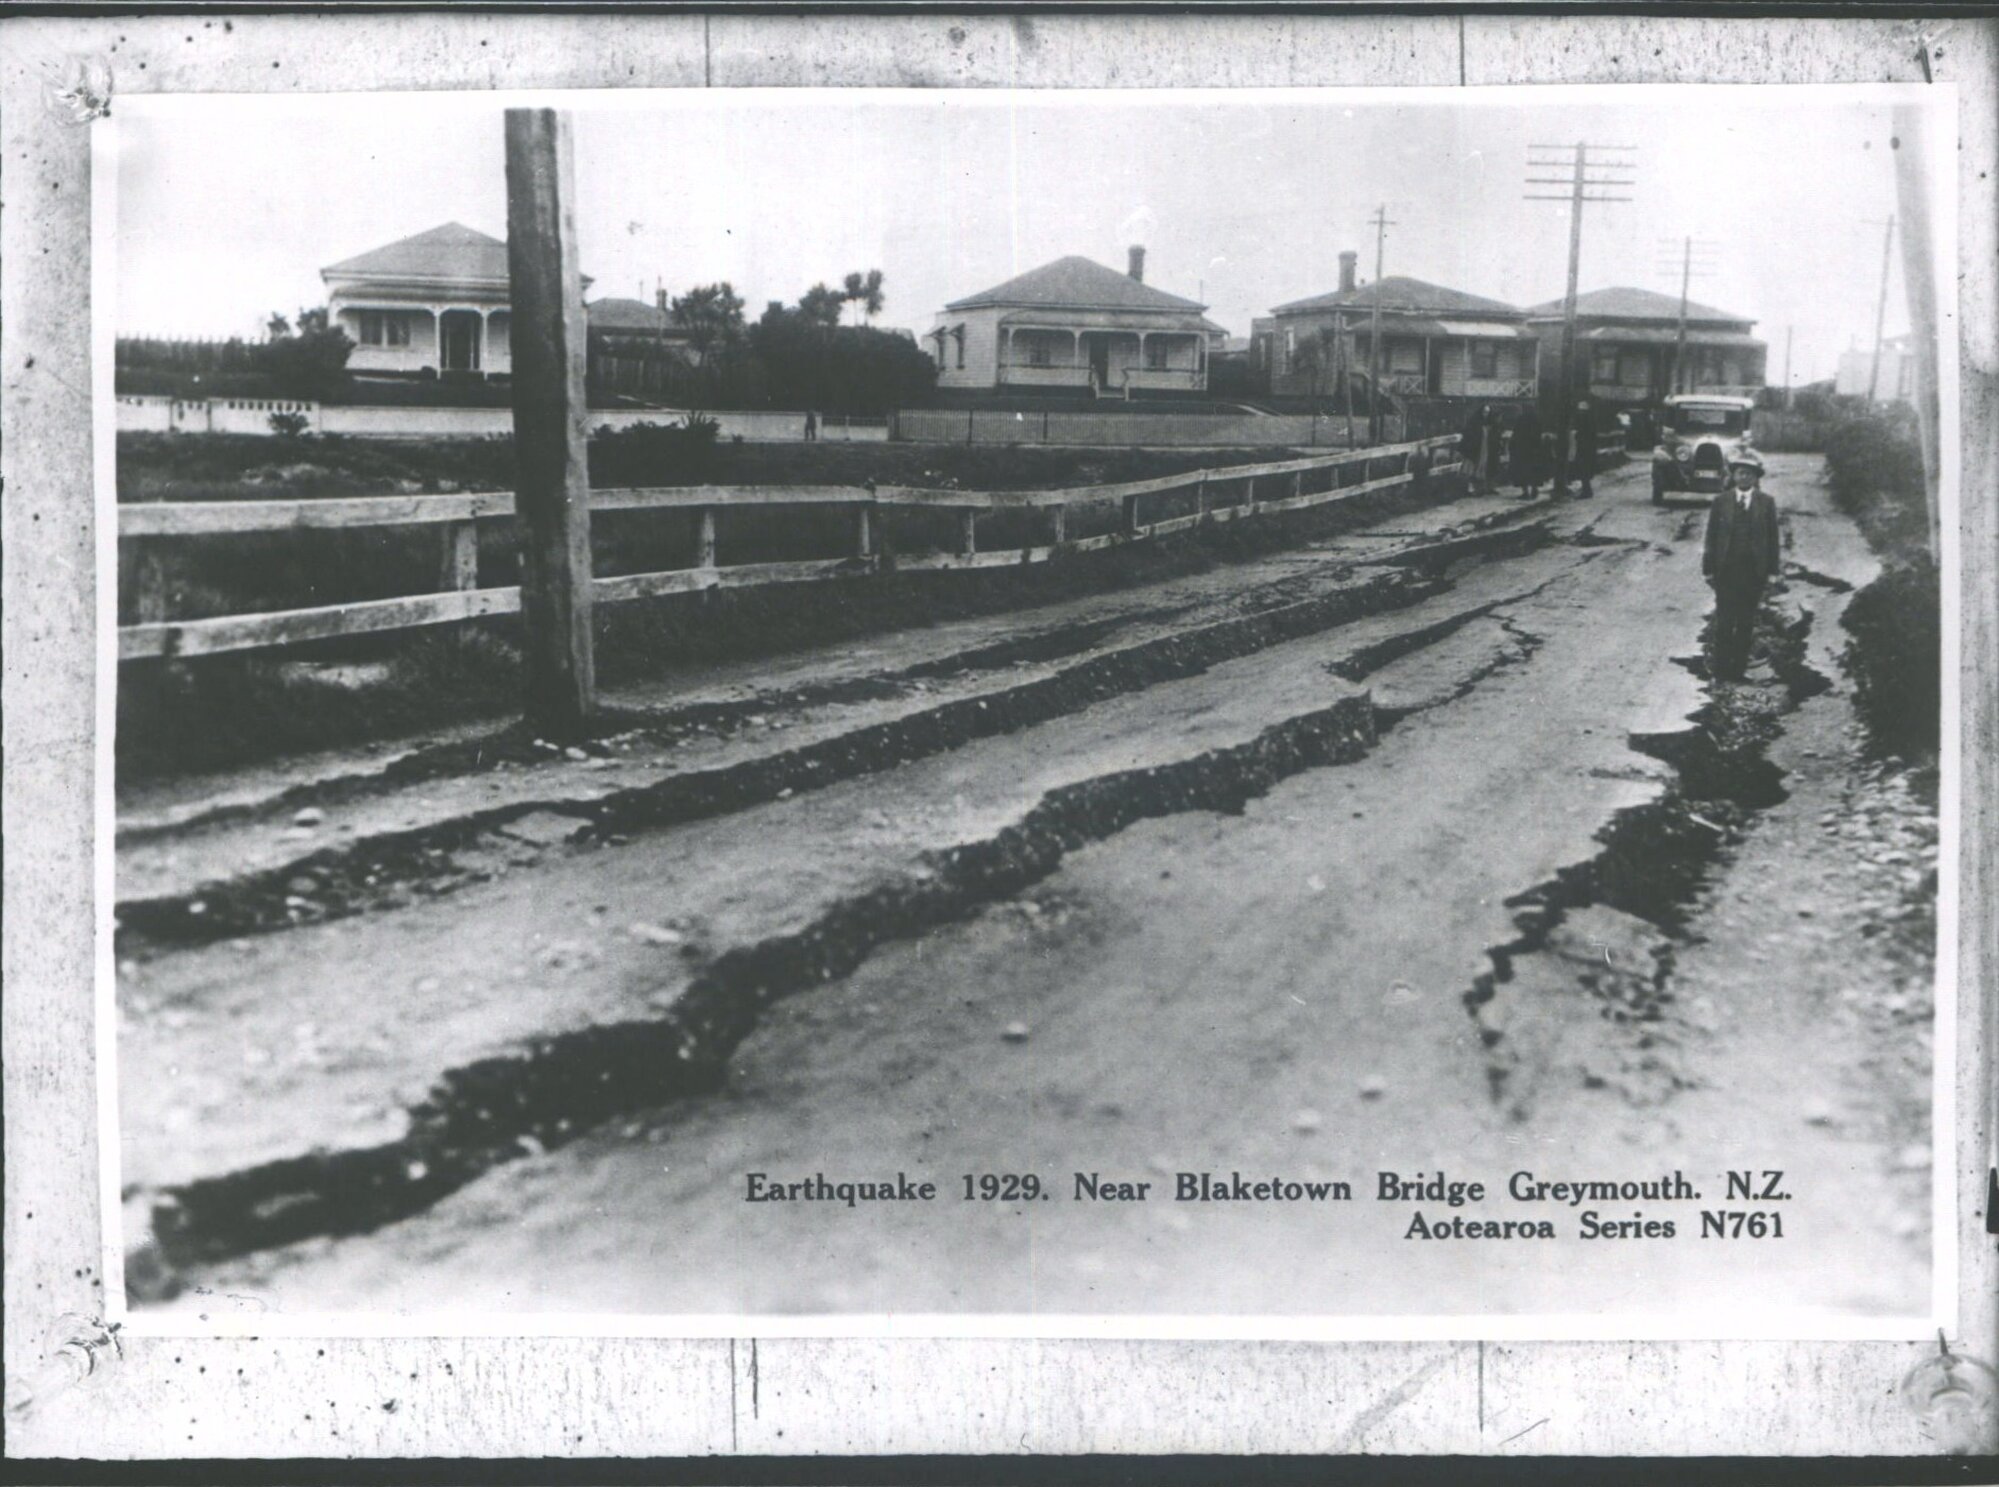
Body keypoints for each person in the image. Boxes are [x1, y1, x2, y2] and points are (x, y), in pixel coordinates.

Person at [1701, 450, 1782, 681]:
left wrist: (1773, 572)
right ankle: (1720, 670)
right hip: (1726, 571)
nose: (1744, 478)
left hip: (1753, 573)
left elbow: (1772, 539)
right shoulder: (1721, 502)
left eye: (1749, 474)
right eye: (1740, 473)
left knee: (1746, 622)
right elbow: (1711, 537)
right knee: (1725, 621)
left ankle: (1738, 671)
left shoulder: (1766, 503)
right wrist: (1708, 569)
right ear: (1733, 476)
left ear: (1756, 478)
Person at [1511, 403, 1548, 498]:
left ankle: (1525, 492)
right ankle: (1534, 489)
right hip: (1535, 449)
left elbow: (1516, 435)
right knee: (1534, 471)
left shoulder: (1521, 420)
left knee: (1523, 471)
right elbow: (1539, 433)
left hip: (1522, 450)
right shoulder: (1537, 419)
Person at [1572, 396, 1598, 499]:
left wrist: (1576, 435)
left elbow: (1579, 432)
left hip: (1583, 446)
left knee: (1583, 469)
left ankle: (1586, 491)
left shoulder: (1582, 417)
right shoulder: (1591, 417)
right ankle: (1587, 489)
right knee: (1585, 469)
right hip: (1590, 446)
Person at [1461, 404, 1489, 493]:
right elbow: (1470, 435)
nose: (1486, 414)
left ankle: (1478, 488)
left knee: (1480, 467)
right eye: (1485, 412)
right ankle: (1469, 488)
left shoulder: (1485, 422)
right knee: (1471, 468)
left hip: (1483, 448)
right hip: (1474, 448)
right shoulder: (1475, 422)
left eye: (1487, 412)